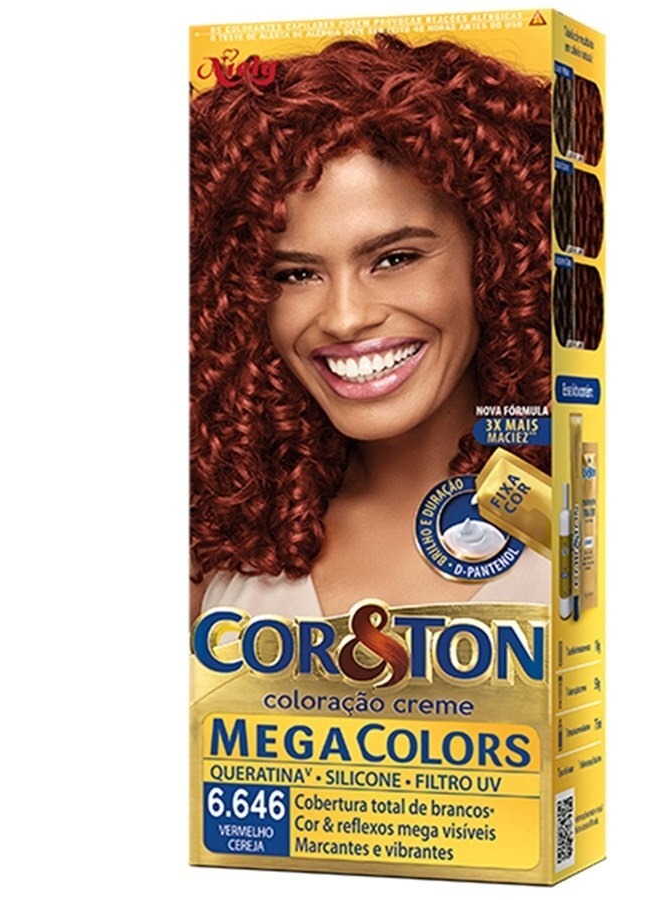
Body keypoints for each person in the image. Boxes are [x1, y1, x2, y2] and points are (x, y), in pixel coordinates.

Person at [191, 34, 553, 620]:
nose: (344, 317)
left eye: (394, 259)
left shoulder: (578, 529)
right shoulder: (219, 547)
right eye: (296, 274)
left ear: (496, 256)